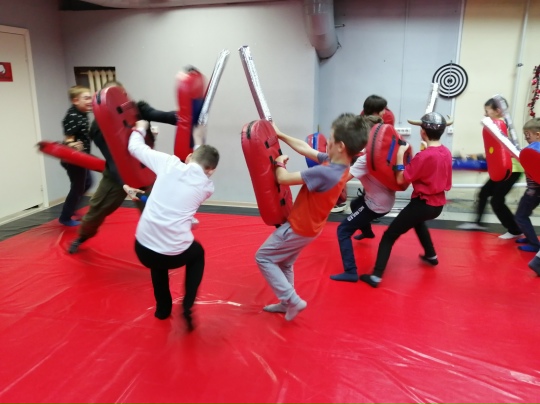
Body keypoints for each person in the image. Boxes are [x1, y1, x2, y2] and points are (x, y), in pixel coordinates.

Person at [256, 113, 369, 320]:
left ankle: (292, 299)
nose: (327, 143)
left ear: (340, 146)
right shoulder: (340, 166)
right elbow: (306, 149)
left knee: (263, 257)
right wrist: (280, 134)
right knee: (285, 263)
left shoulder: (325, 173)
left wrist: (279, 163)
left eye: (330, 139)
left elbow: (283, 179)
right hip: (310, 229)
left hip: (298, 227)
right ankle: (286, 304)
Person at [128, 120, 219, 331]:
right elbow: (200, 168)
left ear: (188, 157)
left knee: (158, 255)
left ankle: (163, 309)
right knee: (197, 253)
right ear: (211, 171)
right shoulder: (207, 187)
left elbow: (134, 147)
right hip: (173, 255)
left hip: (142, 249)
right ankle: (187, 305)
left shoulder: (168, 163)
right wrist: (199, 142)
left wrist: (140, 127)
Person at [68, 81, 177, 254]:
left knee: (152, 211)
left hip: (144, 170)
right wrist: (126, 184)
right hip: (116, 175)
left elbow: (164, 116)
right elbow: (113, 158)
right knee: (97, 209)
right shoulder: (98, 127)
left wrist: (186, 117)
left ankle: (160, 247)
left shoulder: (138, 109)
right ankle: (82, 236)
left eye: (123, 94)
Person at [359, 112, 452, 288]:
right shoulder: (446, 152)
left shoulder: (423, 156)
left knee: (389, 236)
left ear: (422, 132)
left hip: (422, 204)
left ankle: (376, 276)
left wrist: (400, 154)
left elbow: (401, 179)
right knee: (418, 222)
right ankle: (431, 255)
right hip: (438, 205)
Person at [456, 98, 523, 239]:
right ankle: (477, 223)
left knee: (496, 201)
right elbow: (494, 152)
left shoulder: (501, 126)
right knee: (484, 193)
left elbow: (503, 152)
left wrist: (474, 158)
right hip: (504, 167)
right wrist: (474, 157)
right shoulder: (495, 127)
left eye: (487, 111)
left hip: (512, 169)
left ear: (497, 111)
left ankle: (515, 230)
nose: (485, 114)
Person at [329, 153, 396, 282]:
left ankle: (350, 272)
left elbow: (341, 180)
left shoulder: (361, 160)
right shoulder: (373, 154)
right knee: (355, 204)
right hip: (386, 199)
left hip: (376, 205)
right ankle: (367, 232)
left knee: (343, 230)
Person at [59, 86, 93, 226]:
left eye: (90, 97)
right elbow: (68, 138)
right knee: (77, 187)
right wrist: (71, 144)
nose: (90, 101)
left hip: (82, 158)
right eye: (86, 98)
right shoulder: (73, 116)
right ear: (75, 101)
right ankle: (65, 217)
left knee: (88, 183)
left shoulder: (82, 113)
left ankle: (71, 209)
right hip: (73, 159)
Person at [514, 118, 540, 252]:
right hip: (534, 190)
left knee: (520, 216)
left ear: (538, 135)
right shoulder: (532, 150)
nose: (526, 138)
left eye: (528, 135)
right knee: (524, 214)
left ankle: (534, 244)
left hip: (533, 191)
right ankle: (530, 237)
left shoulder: (535, 150)